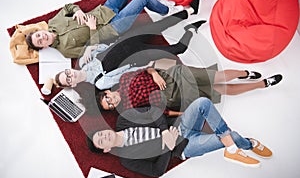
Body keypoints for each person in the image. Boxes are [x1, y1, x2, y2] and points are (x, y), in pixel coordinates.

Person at [87, 97, 273, 177]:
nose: (104, 136)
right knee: (232, 135)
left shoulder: (123, 120)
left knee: (203, 103)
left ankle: (232, 149)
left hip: (179, 127)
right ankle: (248, 144)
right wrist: (168, 146)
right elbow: (155, 171)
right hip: (184, 147)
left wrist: (165, 132)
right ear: (106, 149)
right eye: (101, 140)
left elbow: (154, 112)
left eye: (101, 133)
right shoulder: (127, 160)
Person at [25, 0, 201, 58]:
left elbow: (68, 7)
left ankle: (157, 0)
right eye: (40, 42)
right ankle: (169, 10)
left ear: (40, 31)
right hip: (113, 27)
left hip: (105, 10)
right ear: (44, 47)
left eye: (39, 35)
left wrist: (77, 10)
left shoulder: (53, 22)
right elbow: (92, 51)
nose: (43, 37)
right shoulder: (65, 50)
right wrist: (93, 29)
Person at [53, 10, 206, 90]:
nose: (70, 75)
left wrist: (90, 49)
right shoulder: (99, 83)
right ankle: (191, 30)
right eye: (68, 79)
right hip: (136, 56)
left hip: (126, 41)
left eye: (67, 73)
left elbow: (103, 46)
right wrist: (147, 66)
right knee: (177, 49)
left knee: (158, 26)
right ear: (72, 84)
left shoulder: (83, 60)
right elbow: (124, 74)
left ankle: (190, 11)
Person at [97, 64, 283, 114]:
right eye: (111, 106)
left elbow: (147, 68)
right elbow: (156, 113)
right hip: (175, 96)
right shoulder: (128, 108)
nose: (113, 102)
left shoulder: (124, 78)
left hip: (172, 77)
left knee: (214, 76)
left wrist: (154, 74)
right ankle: (263, 84)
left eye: (109, 100)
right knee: (221, 90)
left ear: (108, 93)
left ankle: (244, 73)